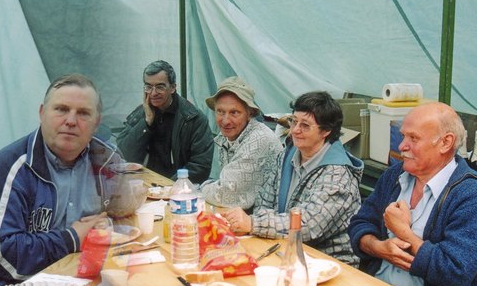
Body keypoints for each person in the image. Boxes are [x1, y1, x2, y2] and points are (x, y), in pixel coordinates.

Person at [0, 74, 121, 286]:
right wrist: (71, 239)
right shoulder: (9, 167)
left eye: (83, 113)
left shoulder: (106, 159)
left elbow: (124, 207)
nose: (70, 120)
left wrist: (108, 223)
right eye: (61, 109)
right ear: (42, 113)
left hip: (71, 275)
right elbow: (3, 256)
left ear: (96, 122)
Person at [348, 102, 477, 286]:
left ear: (446, 143)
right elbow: (358, 225)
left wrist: (404, 233)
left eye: (413, 138)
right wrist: (379, 248)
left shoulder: (471, 197)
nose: (402, 146)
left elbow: (456, 272)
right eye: (403, 136)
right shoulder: (395, 176)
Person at [222, 91, 363, 265]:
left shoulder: (338, 175)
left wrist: (252, 223)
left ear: (326, 131)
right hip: (284, 249)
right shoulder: (287, 155)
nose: (295, 130)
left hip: (330, 263)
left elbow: (308, 225)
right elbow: (263, 202)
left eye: (305, 125)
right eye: (294, 121)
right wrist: (259, 222)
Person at [116, 60, 213, 183]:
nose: (153, 93)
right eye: (148, 86)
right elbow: (123, 155)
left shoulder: (194, 118)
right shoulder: (141, 113)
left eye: (160, 87)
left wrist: (168, 186)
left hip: (179, 189)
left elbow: (201, 167)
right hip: (145, 185)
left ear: (172, 88)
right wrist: (146, 123)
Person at [199, 76, 281, 209]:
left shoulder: (259, 139)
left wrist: (198, 189)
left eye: (234, 112)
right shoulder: (225, 136)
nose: (225, 121)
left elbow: (225, 193)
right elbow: (220, 183)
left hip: (264, 220)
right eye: (220, 111)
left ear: (250, 113)